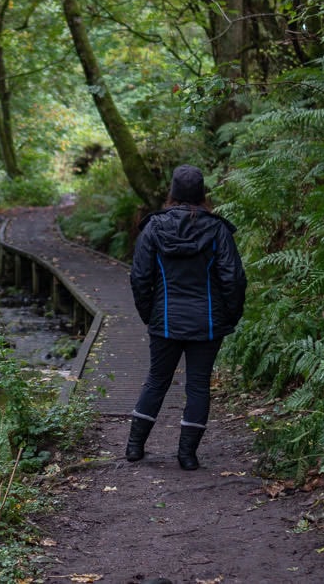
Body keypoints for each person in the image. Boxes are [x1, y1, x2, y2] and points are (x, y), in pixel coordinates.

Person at [126, 164, 247, 469]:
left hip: (165, 319)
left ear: (172, 193)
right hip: (207, 324)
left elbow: (140, 277)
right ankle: (187, 456)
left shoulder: (153, 228)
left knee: (156, 380)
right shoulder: (218, 229)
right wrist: (228, 317)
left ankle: (134, 448)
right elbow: (233, 279)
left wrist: (149, 315)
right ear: (202, 193)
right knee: (198, 385)